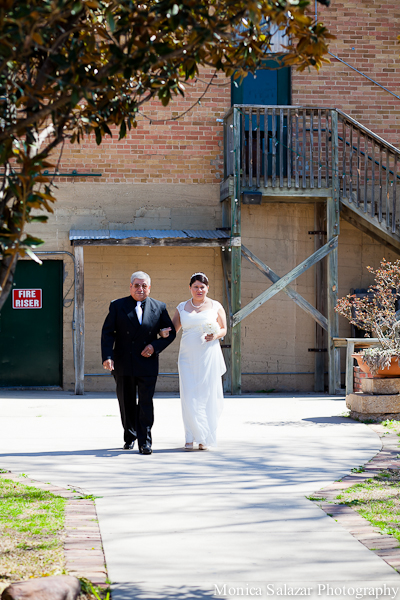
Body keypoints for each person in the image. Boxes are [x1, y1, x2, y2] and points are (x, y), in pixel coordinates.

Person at [101, 271, 176, 455]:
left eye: (144, 286)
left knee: (145, 403)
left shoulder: (159, 307)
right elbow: (107, 333)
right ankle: (130, 436)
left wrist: (155, 345)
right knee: (126, 402)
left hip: (147, 363)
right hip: (123, 363)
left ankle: (145, 442)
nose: (140, 289)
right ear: (130, 287)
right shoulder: (117, 306)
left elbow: (170, 332)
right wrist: (107, 357)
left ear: (149, 288)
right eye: (137, 285)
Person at [160, 272, 227, 450]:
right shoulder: (182, 307)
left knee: (205, 395)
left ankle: (204, 437)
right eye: (196, 286)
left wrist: (216, 335)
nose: (199, 290)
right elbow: (173, 330)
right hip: (187, 357)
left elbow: (224, 329)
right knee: (189, 395)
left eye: (202, 287)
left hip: (207, 356)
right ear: (190, 288)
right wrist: (161, 333)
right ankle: (190, 436)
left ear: (207, 288)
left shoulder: (216, 306)